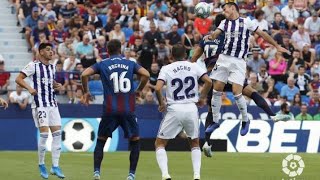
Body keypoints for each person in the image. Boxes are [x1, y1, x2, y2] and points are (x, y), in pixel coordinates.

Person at [192, 13, 291, 157]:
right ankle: (272, 115)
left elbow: (194, 59)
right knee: (252, 93)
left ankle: (207, 143)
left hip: (214, 77)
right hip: (230, 74)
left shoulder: (206, 39)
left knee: (211, 111)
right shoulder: (230, 37)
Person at [80, 39, 150, 180]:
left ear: (108, 50)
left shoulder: (102, 64)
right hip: (128, 108)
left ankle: (97, 173)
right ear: (120, 49)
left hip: (110, 109)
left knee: (101, 140)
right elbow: (146, 74)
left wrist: (86, 92)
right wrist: (139, 90)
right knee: (135, 140)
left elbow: (84, 74)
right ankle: (131, 174)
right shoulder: (130, 63)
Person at [154, 44, 212, 180]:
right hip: (191, 108)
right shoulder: (194, 66)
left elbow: (157, 88)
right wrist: (201, 97)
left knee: (160, 143)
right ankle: (197, 175)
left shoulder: (166, 68)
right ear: (185, 55)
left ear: (171, 56)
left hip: (174, 108)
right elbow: (208, 82)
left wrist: (162, 103)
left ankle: (165, 174)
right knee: (194, 142)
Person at [15, 43, 65, 179]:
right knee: (44, 134)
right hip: (40, 104)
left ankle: (55, 166)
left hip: (53, 104)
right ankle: (41, 164)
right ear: (41, 52)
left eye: (52, 50)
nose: (51, 52)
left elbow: (49, 81)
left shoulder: (52, 67)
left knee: (57, 134)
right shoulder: (33, 66)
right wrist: (29, 88)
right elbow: (18, 78)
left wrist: (56, 85)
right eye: (48, 50)